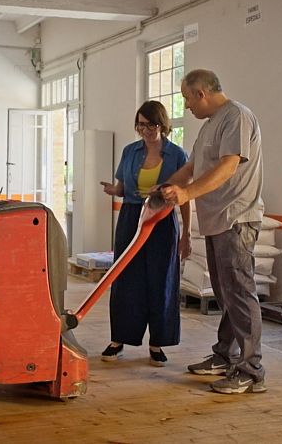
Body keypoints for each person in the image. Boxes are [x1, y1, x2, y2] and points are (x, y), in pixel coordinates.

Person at [161, 69, 266, 394]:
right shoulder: (209, 126)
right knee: (225, 293)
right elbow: (191, 168)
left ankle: (251, 371)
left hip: (236, 218)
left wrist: (187, 194)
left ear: (201, 93)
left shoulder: (237, 117)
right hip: (217, 220)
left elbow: (229, 165)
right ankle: (225, 355)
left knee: (240, 293)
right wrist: (164, 188)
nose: (186, 106)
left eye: (187, 99)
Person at [99, 100, 191, 367]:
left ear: (162, 125)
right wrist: (113, 190)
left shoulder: (177, 155)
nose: (145, 131)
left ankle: (157, 343)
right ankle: (119, 339)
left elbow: (185, 196)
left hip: (162, 219)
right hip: (131, 217)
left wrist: (185, 235)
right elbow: (122, 187)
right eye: (140, 126)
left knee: (161, 280)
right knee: (125, 278)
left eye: (151, 125)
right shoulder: (130, 151)